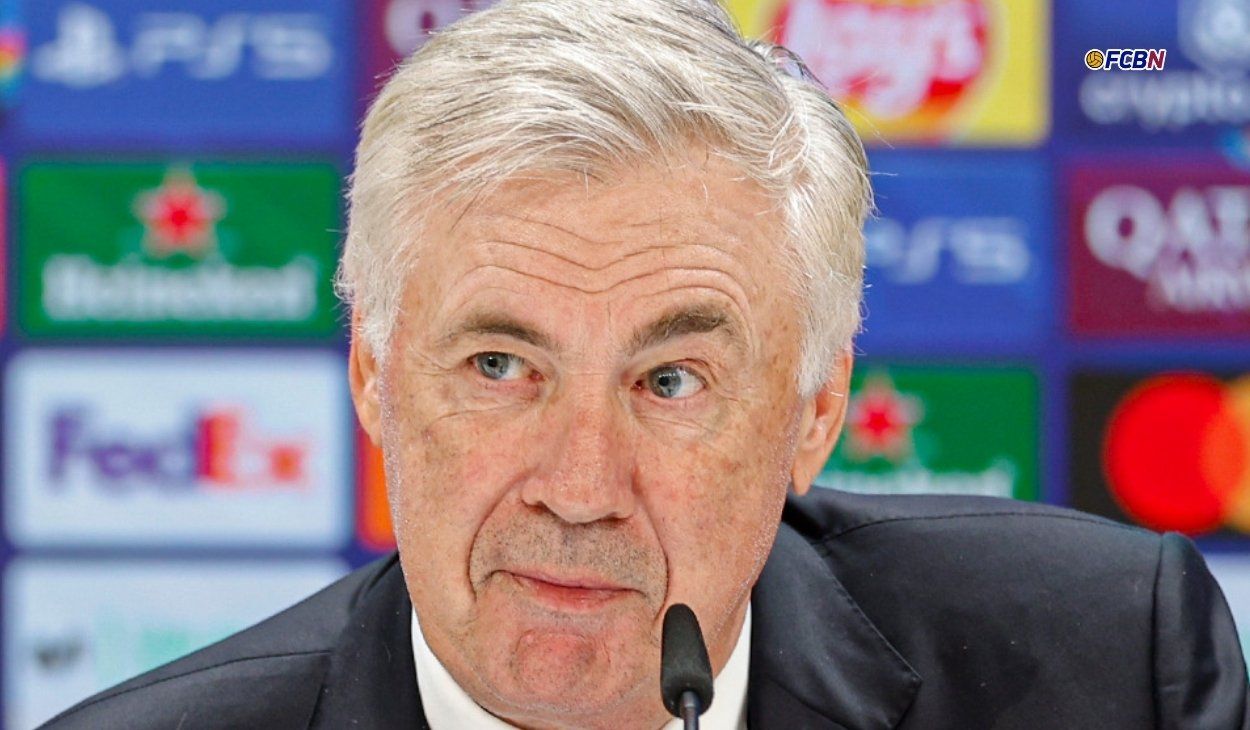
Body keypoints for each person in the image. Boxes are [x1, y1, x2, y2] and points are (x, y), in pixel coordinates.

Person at [41, 0, 1249, 728]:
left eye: (670, 381)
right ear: (373, 375)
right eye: (500, 365)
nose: (579, 488)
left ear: (813, 411)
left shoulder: (1107, 666)